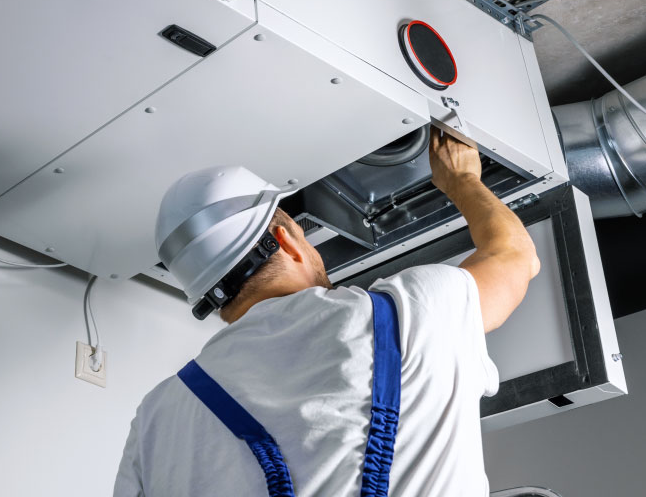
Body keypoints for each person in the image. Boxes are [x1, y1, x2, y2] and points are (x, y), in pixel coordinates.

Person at [114, 131, 540, 496]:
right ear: (287, 238)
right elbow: (514, 257)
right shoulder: (407, 314)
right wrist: (462, 178)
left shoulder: (155, 416)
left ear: (209, 296)